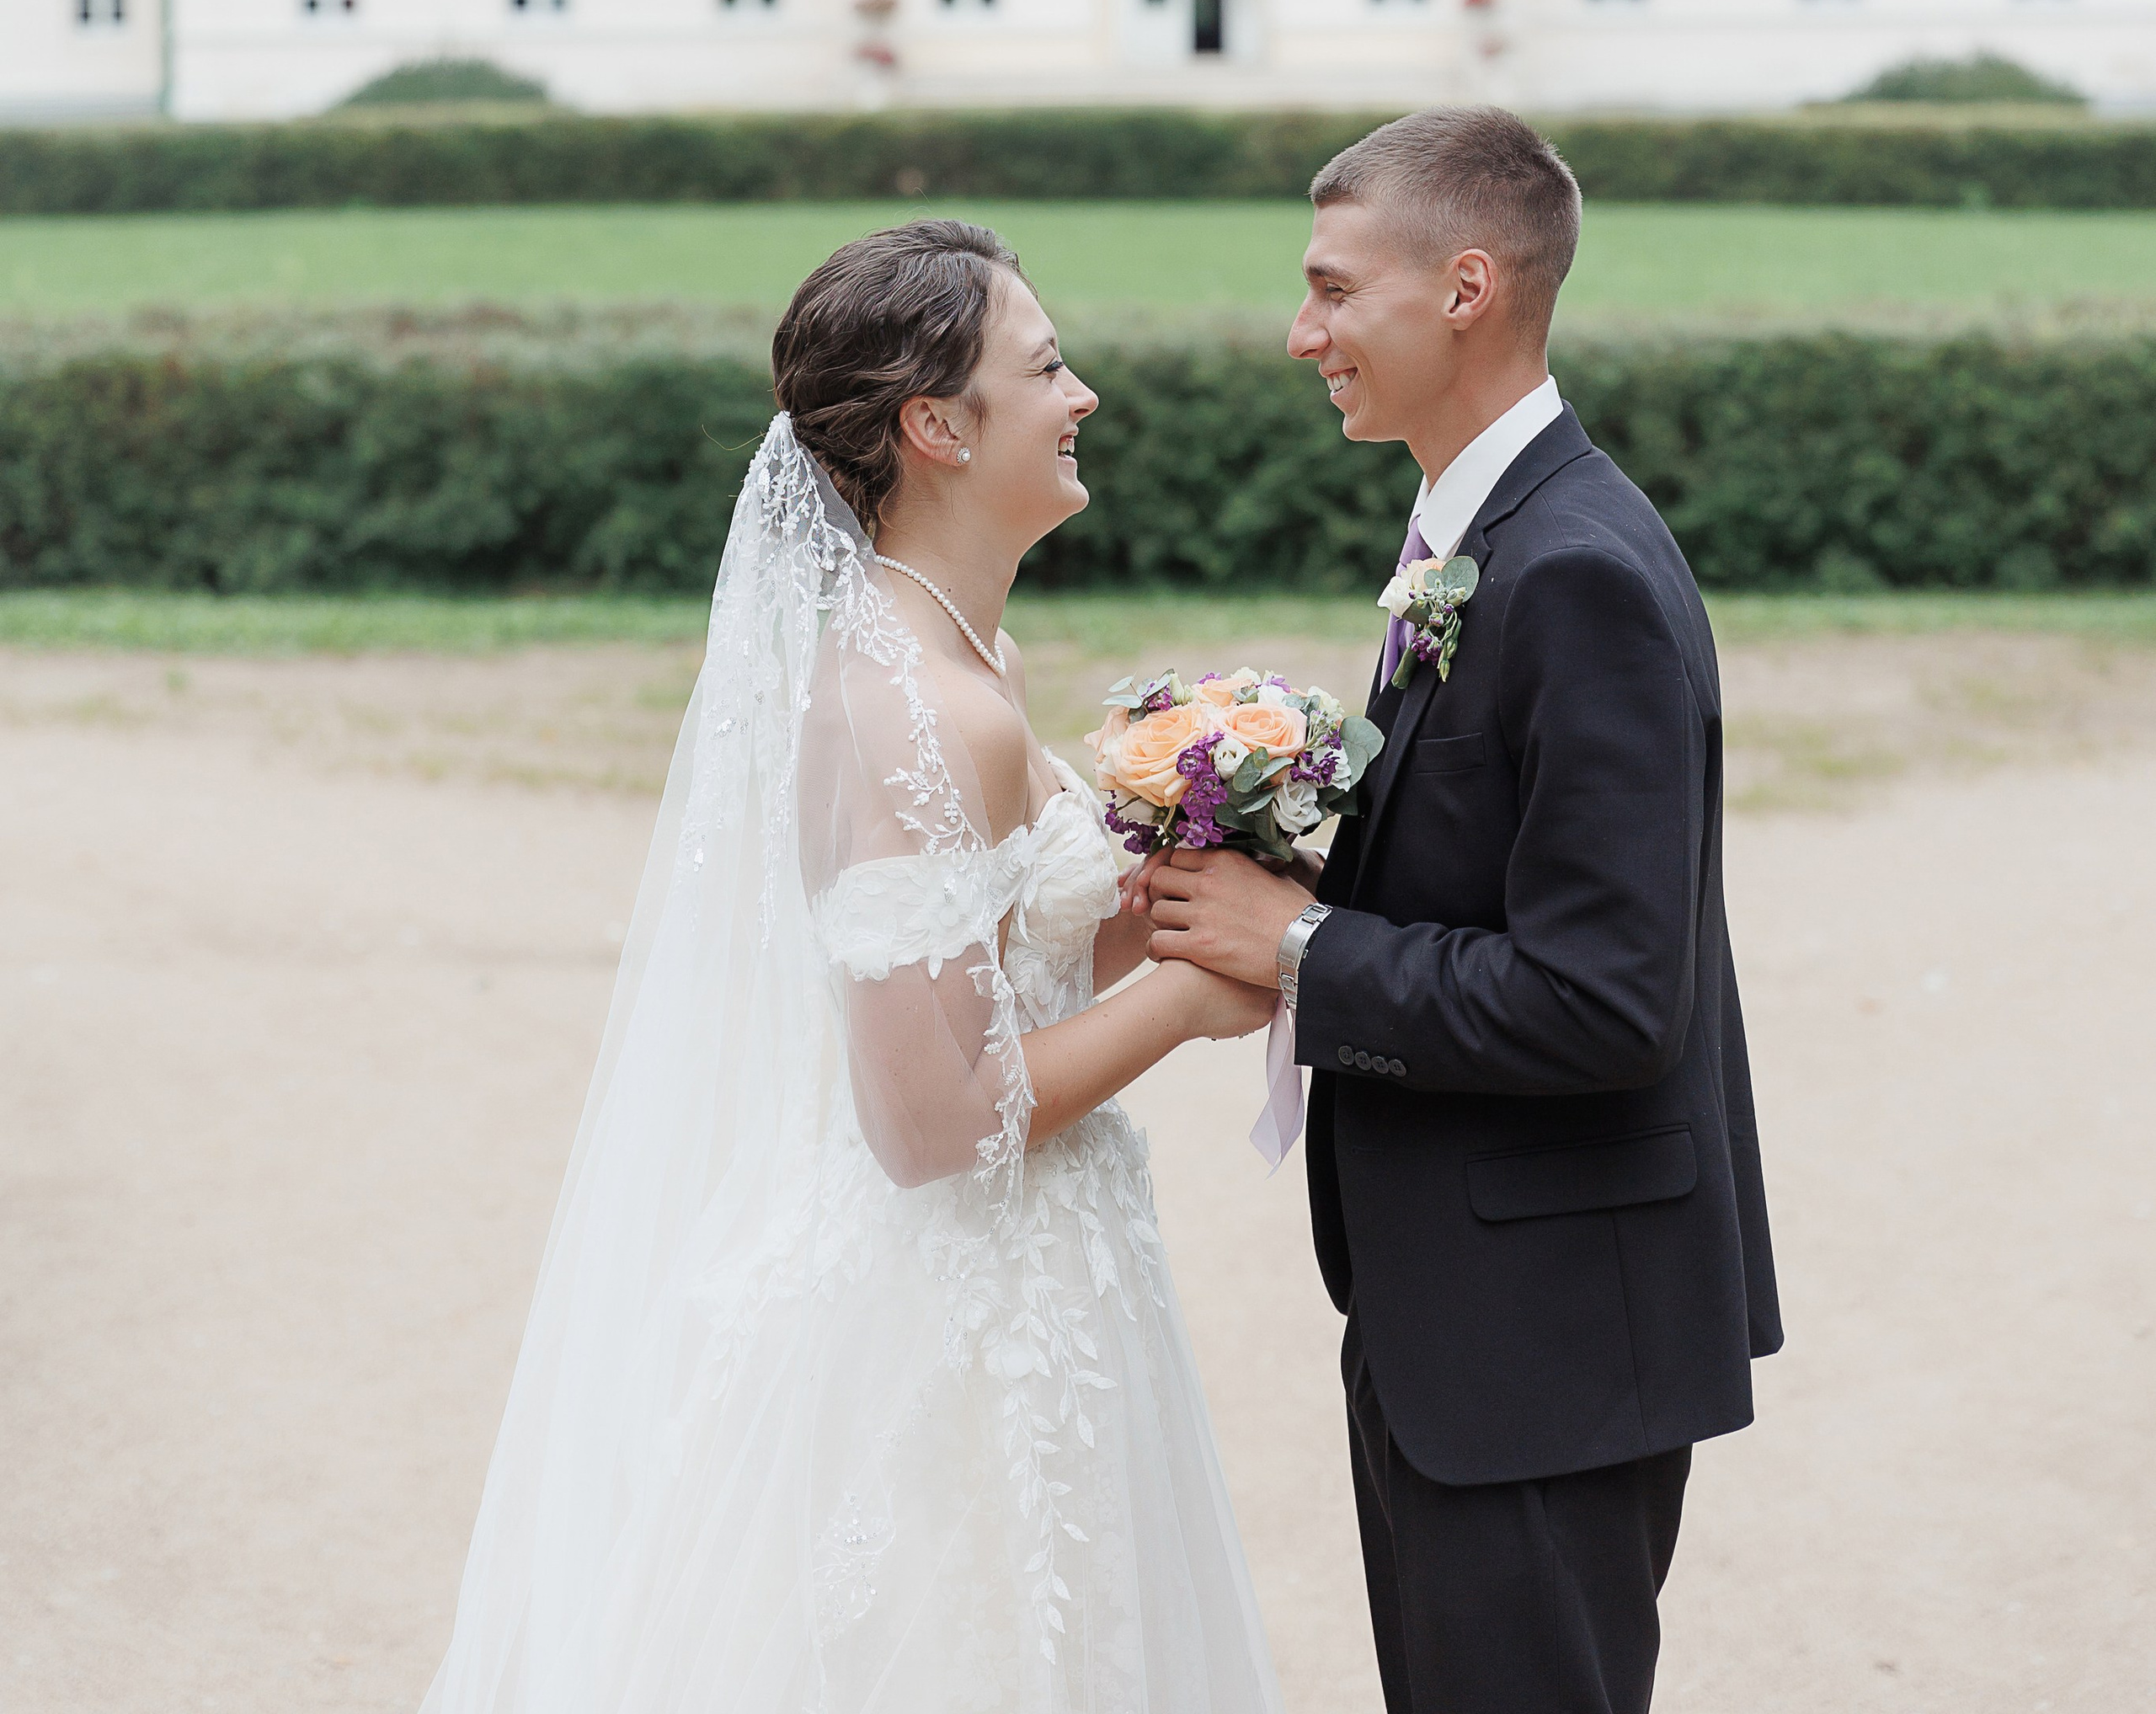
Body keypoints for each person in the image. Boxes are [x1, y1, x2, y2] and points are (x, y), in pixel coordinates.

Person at [420, 216, 1281, 1714]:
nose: (1082, 395)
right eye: (1047, 368)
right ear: (937, 427)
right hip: (943, 1307)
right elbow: (929, 1122)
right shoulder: (915, 709)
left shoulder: (976, 661)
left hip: (1048, 1270)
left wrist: (1195, 886)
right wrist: (1187, 1000)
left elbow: (1005, 958)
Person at [1145, 107, 1780, 1714]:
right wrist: (1290, 852)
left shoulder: (1574, 572)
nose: (1302, 335)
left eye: (1332, 290)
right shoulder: (1479, 532)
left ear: (1466, 288)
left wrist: (1299, 949)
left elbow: (1608, 999)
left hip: (1547, 1339)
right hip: (1468, 1316)